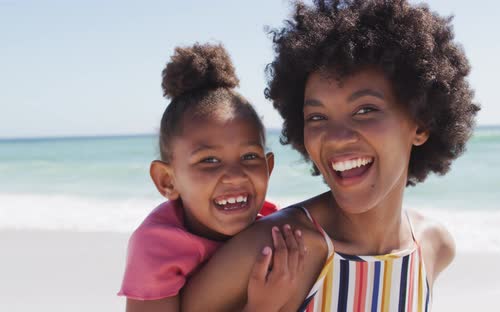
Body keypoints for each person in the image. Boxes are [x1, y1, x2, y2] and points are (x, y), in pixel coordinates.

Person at [181, 0, 480, 311]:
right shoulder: (272, 250)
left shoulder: (434, 247)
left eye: (365, 110)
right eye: (317, 117)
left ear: (421, 124)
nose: (336, 138)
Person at [118, 42, 305, 312]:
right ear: (167, 181)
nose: (234, 176)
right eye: (209, 160)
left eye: (249, 157)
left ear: (268, 168)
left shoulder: (275, 229)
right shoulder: (157, 247)